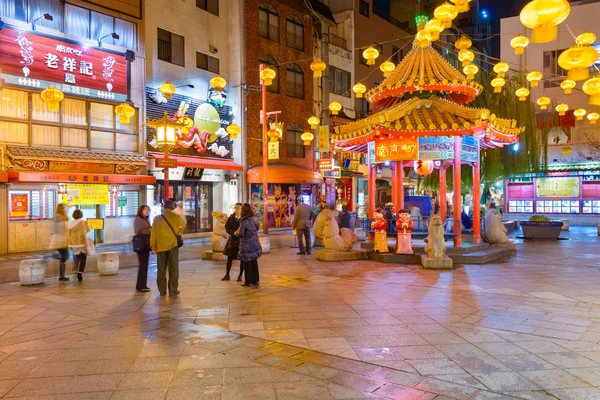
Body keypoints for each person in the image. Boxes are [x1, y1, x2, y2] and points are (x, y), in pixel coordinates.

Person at [150, 200, 184, 296]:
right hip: (173, 246)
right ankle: (173, 290)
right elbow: (181, 229)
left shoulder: (157, 219)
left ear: (164, 208)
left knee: (161, 269)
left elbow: (153, 234)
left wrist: (153, 246)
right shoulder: (176, 217)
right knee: (173, 269)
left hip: (160, 247)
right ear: (172, 208)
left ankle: (162, 290)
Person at [237, 204, 262, 287]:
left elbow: (241, 234)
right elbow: (257, 228)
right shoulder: (254, 219)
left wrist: (236, 232)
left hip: (247, 244)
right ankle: (256, 280)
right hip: (255, 243)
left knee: (247, 262)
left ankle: (248, 281)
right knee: (254, 261)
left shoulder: (244, 221)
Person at [68, 209, 91, 282]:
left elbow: (68, 233)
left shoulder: (70, 223)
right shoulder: (84, 222)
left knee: (76, 258)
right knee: (83, 259)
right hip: (82, 243)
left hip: (74, 243)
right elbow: (87, 230)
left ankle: (75, 270)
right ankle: (80, 273)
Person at [222, 203, 243, 282]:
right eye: (236, 208)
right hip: (232, 240)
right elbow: (227, 227)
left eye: (239, 208)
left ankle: (240, 275)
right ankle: (227, 274)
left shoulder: (243, 218)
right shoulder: (231, 217)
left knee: (242, 258)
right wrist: (233, 232)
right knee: (230, 258)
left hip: (241, 240)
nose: (237, 209)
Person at [134, 205, 152, 292]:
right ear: (141, 210)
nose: (147, 211)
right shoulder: (138, 219)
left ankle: (142, 284)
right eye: (145, 210)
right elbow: (138, 231)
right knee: (143, 265)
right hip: (141, 244)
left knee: (144, 265)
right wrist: (149, 230)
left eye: (148, 210)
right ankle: (141, 285)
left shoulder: (145, 219)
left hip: (146, 245)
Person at [49, 204, 70, 281]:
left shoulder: (55, 218)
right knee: (64, 258)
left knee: (62, 258)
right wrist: (68, 241)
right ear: (63, 209)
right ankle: (62, 276)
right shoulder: (63, 218)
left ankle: (61, 275)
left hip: (56, 239)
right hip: (62, 240)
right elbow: (65, 231)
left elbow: (52, 230)